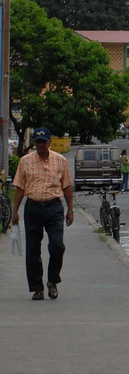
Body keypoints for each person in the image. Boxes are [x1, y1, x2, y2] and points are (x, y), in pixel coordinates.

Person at [10, 127, 74, 301]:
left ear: (49, 143)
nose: (40, 145)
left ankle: (52, 281)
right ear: (34, 143)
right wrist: (14, 212)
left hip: (54, 208)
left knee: (57, 246)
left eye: (43, 142)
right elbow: (19, 188)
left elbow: (67, 186)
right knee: (33, 250)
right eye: (37, 142)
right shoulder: (25, 161)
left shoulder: (60, 160)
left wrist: (71, 210)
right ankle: (37, 288)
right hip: (32, 208)